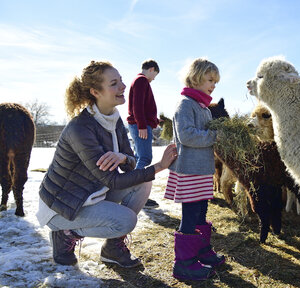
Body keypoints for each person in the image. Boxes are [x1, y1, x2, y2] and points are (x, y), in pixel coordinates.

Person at [36, 61, 177, 268]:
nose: (123, 86)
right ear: (95, 91)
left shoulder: (113, 118)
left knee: (143, 183)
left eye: (121, 80)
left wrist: (123, 158)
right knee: (126, 221)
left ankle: (112, 248)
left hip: (90, 194)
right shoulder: (80, 128)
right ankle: (64, 232)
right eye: (114, 83)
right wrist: (159, 166)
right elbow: (112, 180)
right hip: (63, 206)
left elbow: (132, 162)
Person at [164, 58, 225, 280]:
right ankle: (183, 263)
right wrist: (215, 136)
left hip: (202, 170)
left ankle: (201, 251)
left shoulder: (203, 107)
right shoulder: (185, 105)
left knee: (201, 211)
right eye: (210, 80)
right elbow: (187, 135)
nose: (213, 85)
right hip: (189, 170)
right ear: (196, 78)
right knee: (189, 215)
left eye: (215, 82)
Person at [127, 59, 161, 209]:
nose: (154, 79)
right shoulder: (141, 81)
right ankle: (137, 193)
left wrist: (155, 120)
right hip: (140, 125)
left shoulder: (139, 81)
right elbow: (137, 106)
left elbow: (144, 107)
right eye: (155, 75)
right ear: (151, 69)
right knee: (145, 157)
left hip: (140, 124)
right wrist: (142, 125)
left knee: (138, 157)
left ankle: (129, 190)